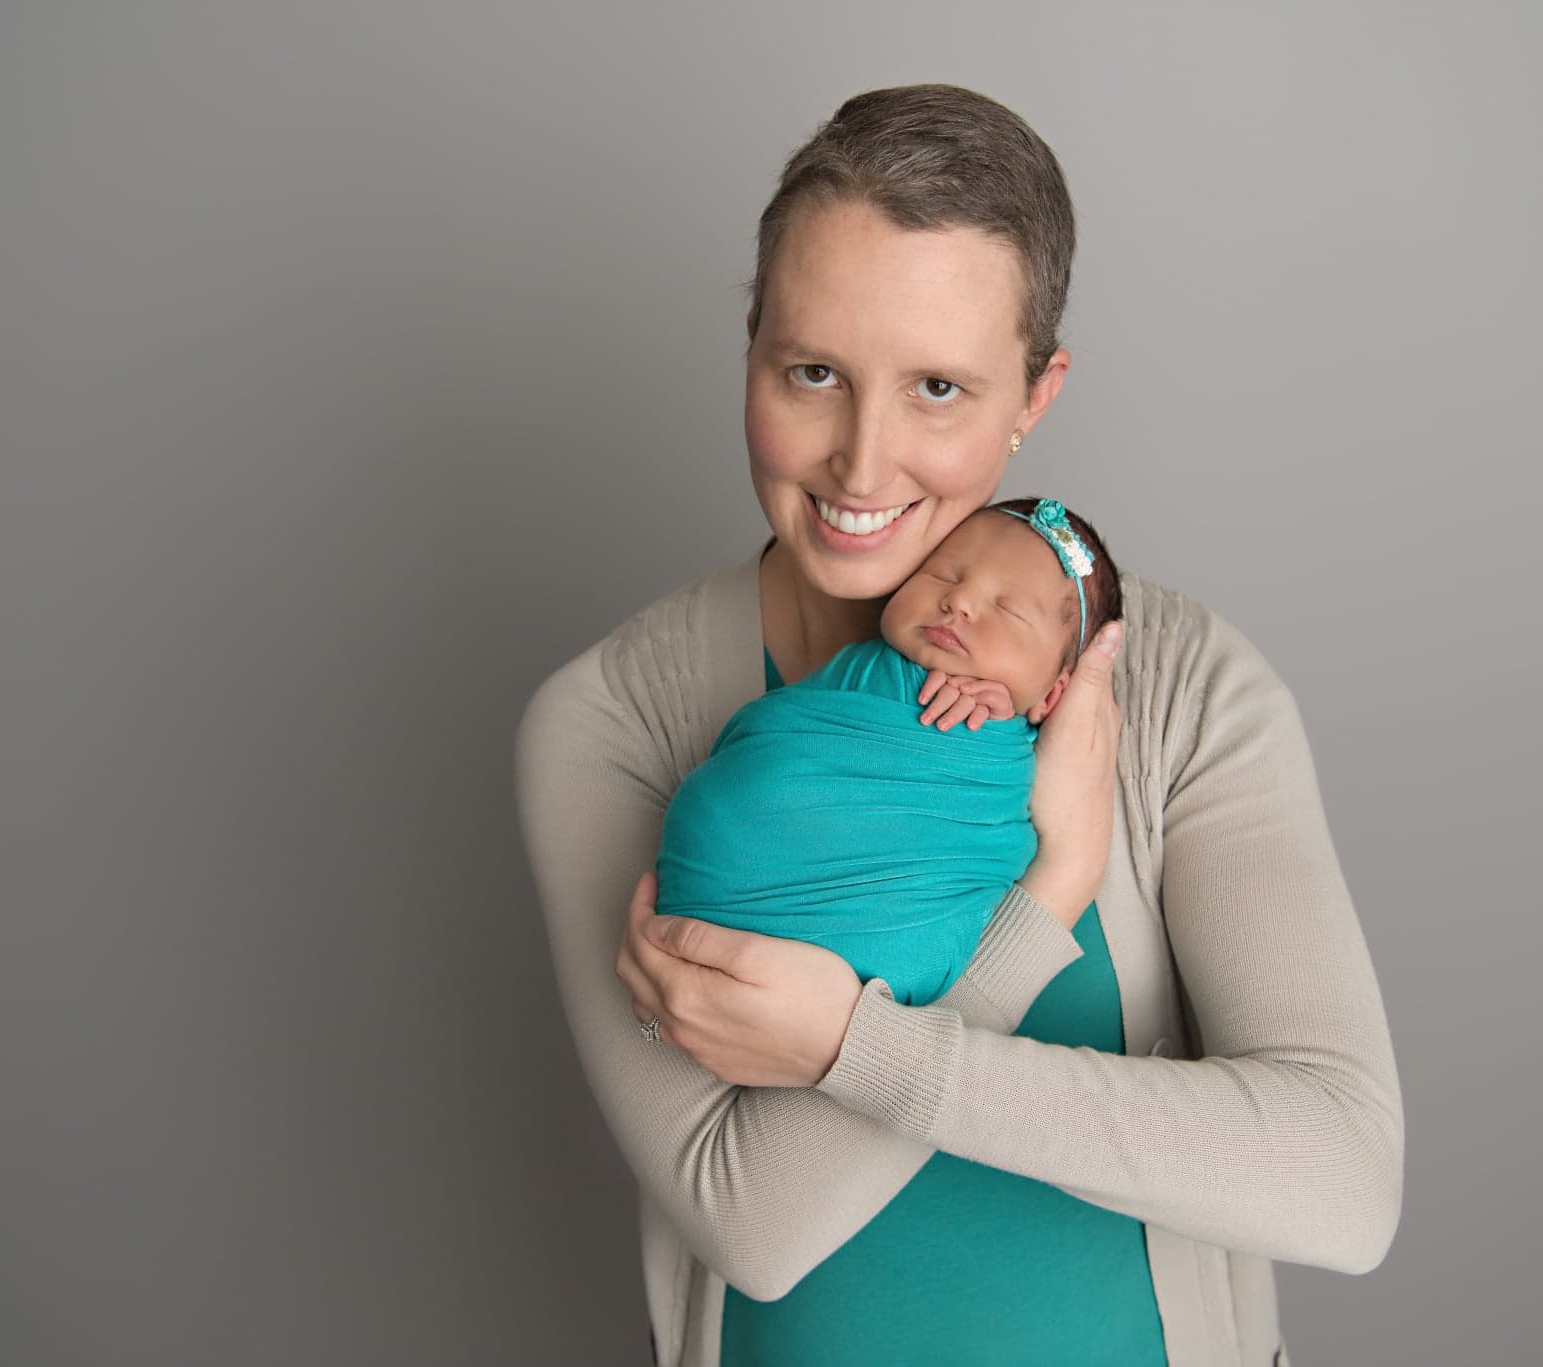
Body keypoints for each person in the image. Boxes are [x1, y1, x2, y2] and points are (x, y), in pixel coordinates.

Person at [515, 84, 1403, 1367]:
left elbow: (1340, 1180)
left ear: (1034, 394)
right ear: (751, 340)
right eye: (812, 372)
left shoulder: (1184, 691)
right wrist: (1041, 905)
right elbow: (753, 1219)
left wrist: (849, 1050)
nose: (861, 466)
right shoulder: (615, 722)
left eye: (937, 386)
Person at [654, 497, 1126, 1007]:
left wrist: (998, 728)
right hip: (701, 902)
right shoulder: (858, 669)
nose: (959, 601)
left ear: (1055, 694)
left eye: (1008, 611)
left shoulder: (1012, 743)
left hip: (878, 943)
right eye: (942, 575)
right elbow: (775, 731)